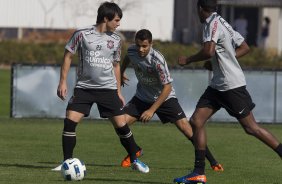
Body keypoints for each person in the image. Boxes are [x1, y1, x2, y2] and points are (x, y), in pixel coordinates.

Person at [173, 0, 282, 183]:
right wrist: (225, 58)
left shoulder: (210, 23)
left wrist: (189, 59)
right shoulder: (222, 21)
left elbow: (209, 51)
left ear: (200, 9)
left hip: (231, 85)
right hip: (218, 85)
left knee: (251, 128)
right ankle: (199, 172)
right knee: (196, 121)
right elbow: (244, 47)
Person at [52, 1, 149, 174]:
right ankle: (67, 162)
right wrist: (62, 82)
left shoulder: (116, 40)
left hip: (107, 89)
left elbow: (116, 66)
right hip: (84, 88)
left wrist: (119, 92)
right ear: (106, 18)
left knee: (121, 126)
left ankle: (135, 159)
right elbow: (68, 56)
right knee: (69, 122)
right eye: (117, 20)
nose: (119, 24)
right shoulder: (81, 34)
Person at [120, 29, 223, 172]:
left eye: (144, 46)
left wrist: (151, 110)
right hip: (142, 97)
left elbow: (167, 87)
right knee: (121, 123)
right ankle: (135, 151)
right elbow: (127, 58)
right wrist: (121, 72)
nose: (141, 49)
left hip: (165, 98)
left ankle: (213, 162)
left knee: (186, 129)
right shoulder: (132, 51)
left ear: (151, 44)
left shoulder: (157, 60)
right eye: (138, 45)